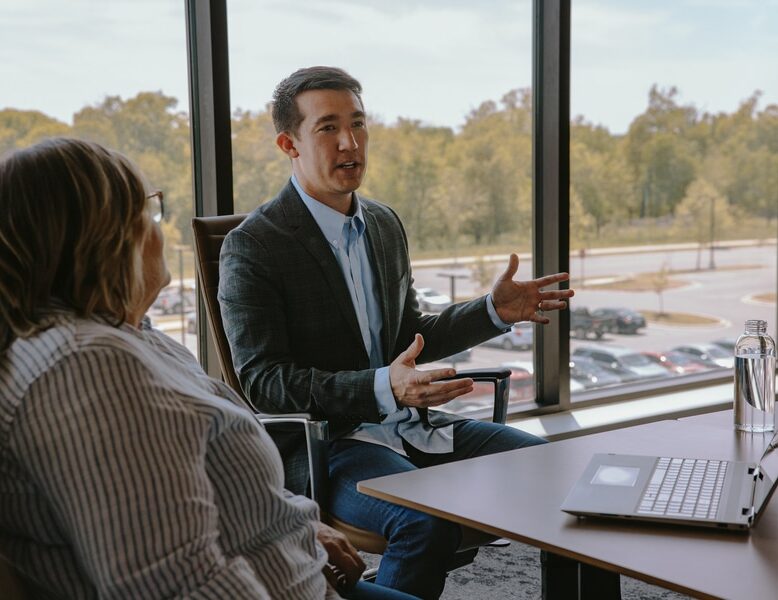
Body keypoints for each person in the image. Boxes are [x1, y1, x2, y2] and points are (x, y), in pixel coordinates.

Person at [0, 138, 417, 600]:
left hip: (292, 565)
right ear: (108, 236)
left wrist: (295, 524)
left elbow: (195, 485)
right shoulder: (91, 370)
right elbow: (179, 585)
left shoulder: (129, 336)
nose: (159, 227)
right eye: (149, 208)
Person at [218, 66, 578, 599]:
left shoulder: (383, 224)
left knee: (559, 470)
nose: (350, 142)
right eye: (327, 128)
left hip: (407, 425)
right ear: (288, 143)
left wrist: (492, 311)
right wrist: (384, 387)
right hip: (326, 445)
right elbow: (265, 381)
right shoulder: (255, 246)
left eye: (358, 124)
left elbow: (410, 335)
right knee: (423, 522)